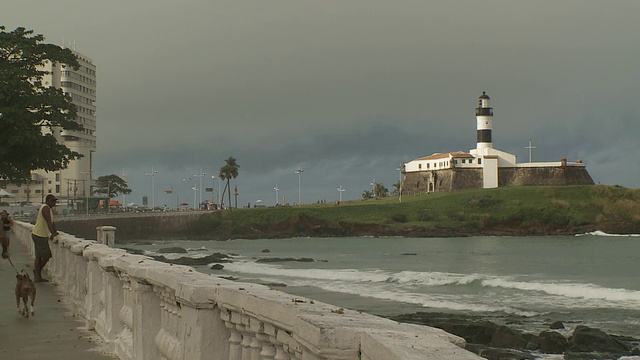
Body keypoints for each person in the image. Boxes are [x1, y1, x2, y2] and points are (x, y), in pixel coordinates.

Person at [31, 194, 59, 282]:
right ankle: (37, 272)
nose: (55, 203)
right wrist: (53, 233)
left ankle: (37, 275)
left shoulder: (48, 209)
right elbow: (48, 222)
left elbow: (52, 222)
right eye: (53, 201)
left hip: (39, 234)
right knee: (47, 255)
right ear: (48, 201)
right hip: (40, 235)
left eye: (55, 201)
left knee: (39, 256)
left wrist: (55, 232)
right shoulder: (46, 208)